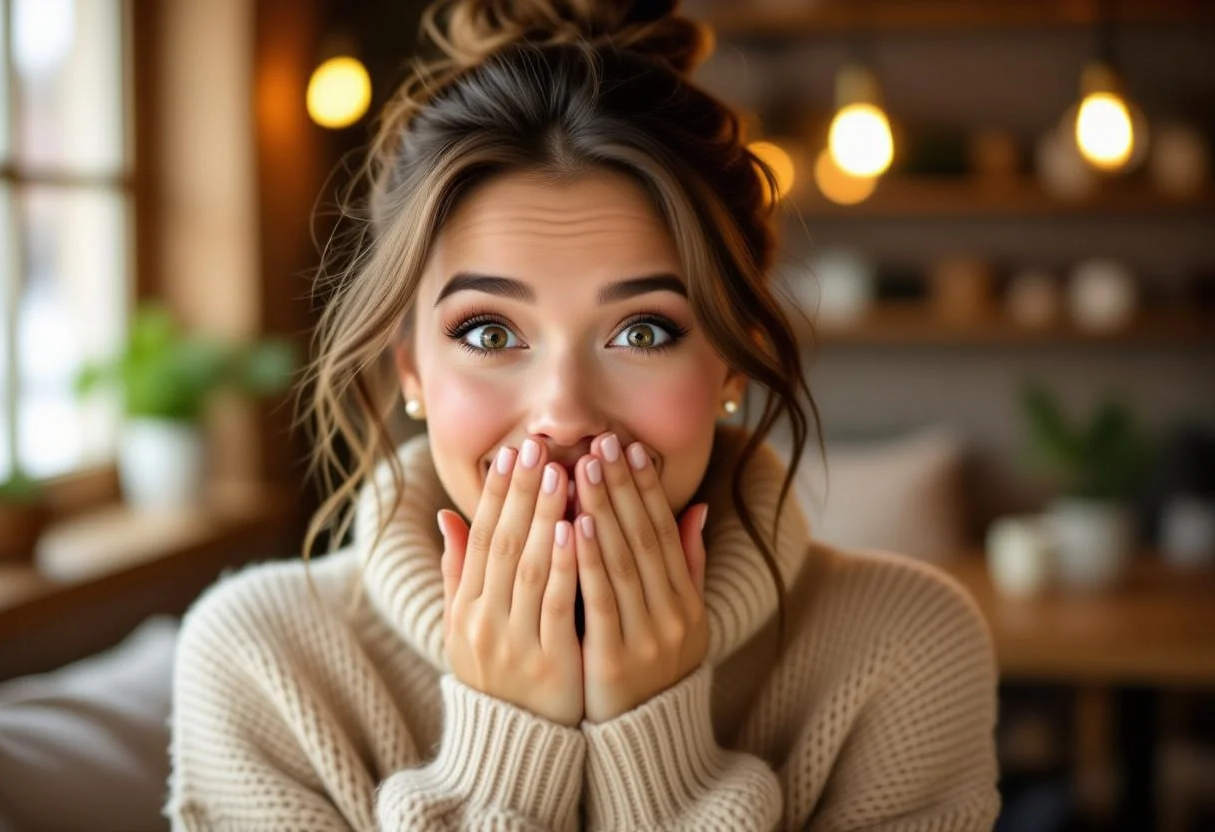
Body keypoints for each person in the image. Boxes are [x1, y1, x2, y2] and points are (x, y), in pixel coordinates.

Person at [166, 1, 1000, 828]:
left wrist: (658, 743)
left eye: (643, 331)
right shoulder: (262, 659)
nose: (563, 413)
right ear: (411, 365)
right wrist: (507, 754)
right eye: (489, 331)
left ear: (731, 364)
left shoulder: (904, 650)